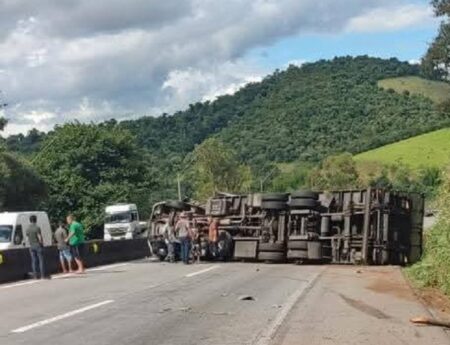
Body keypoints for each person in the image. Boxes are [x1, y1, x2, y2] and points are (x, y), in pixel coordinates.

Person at [25, 215, 47, 279]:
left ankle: (35, 276)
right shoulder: (37, 227)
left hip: (31, 246)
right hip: (37, 245)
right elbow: (39, 236)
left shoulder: (28, 228)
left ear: (30, 220)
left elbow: (26, 238)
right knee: (41, 260)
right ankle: (42, 275)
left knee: (34, 261)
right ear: (36, 220)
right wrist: (41, 243)